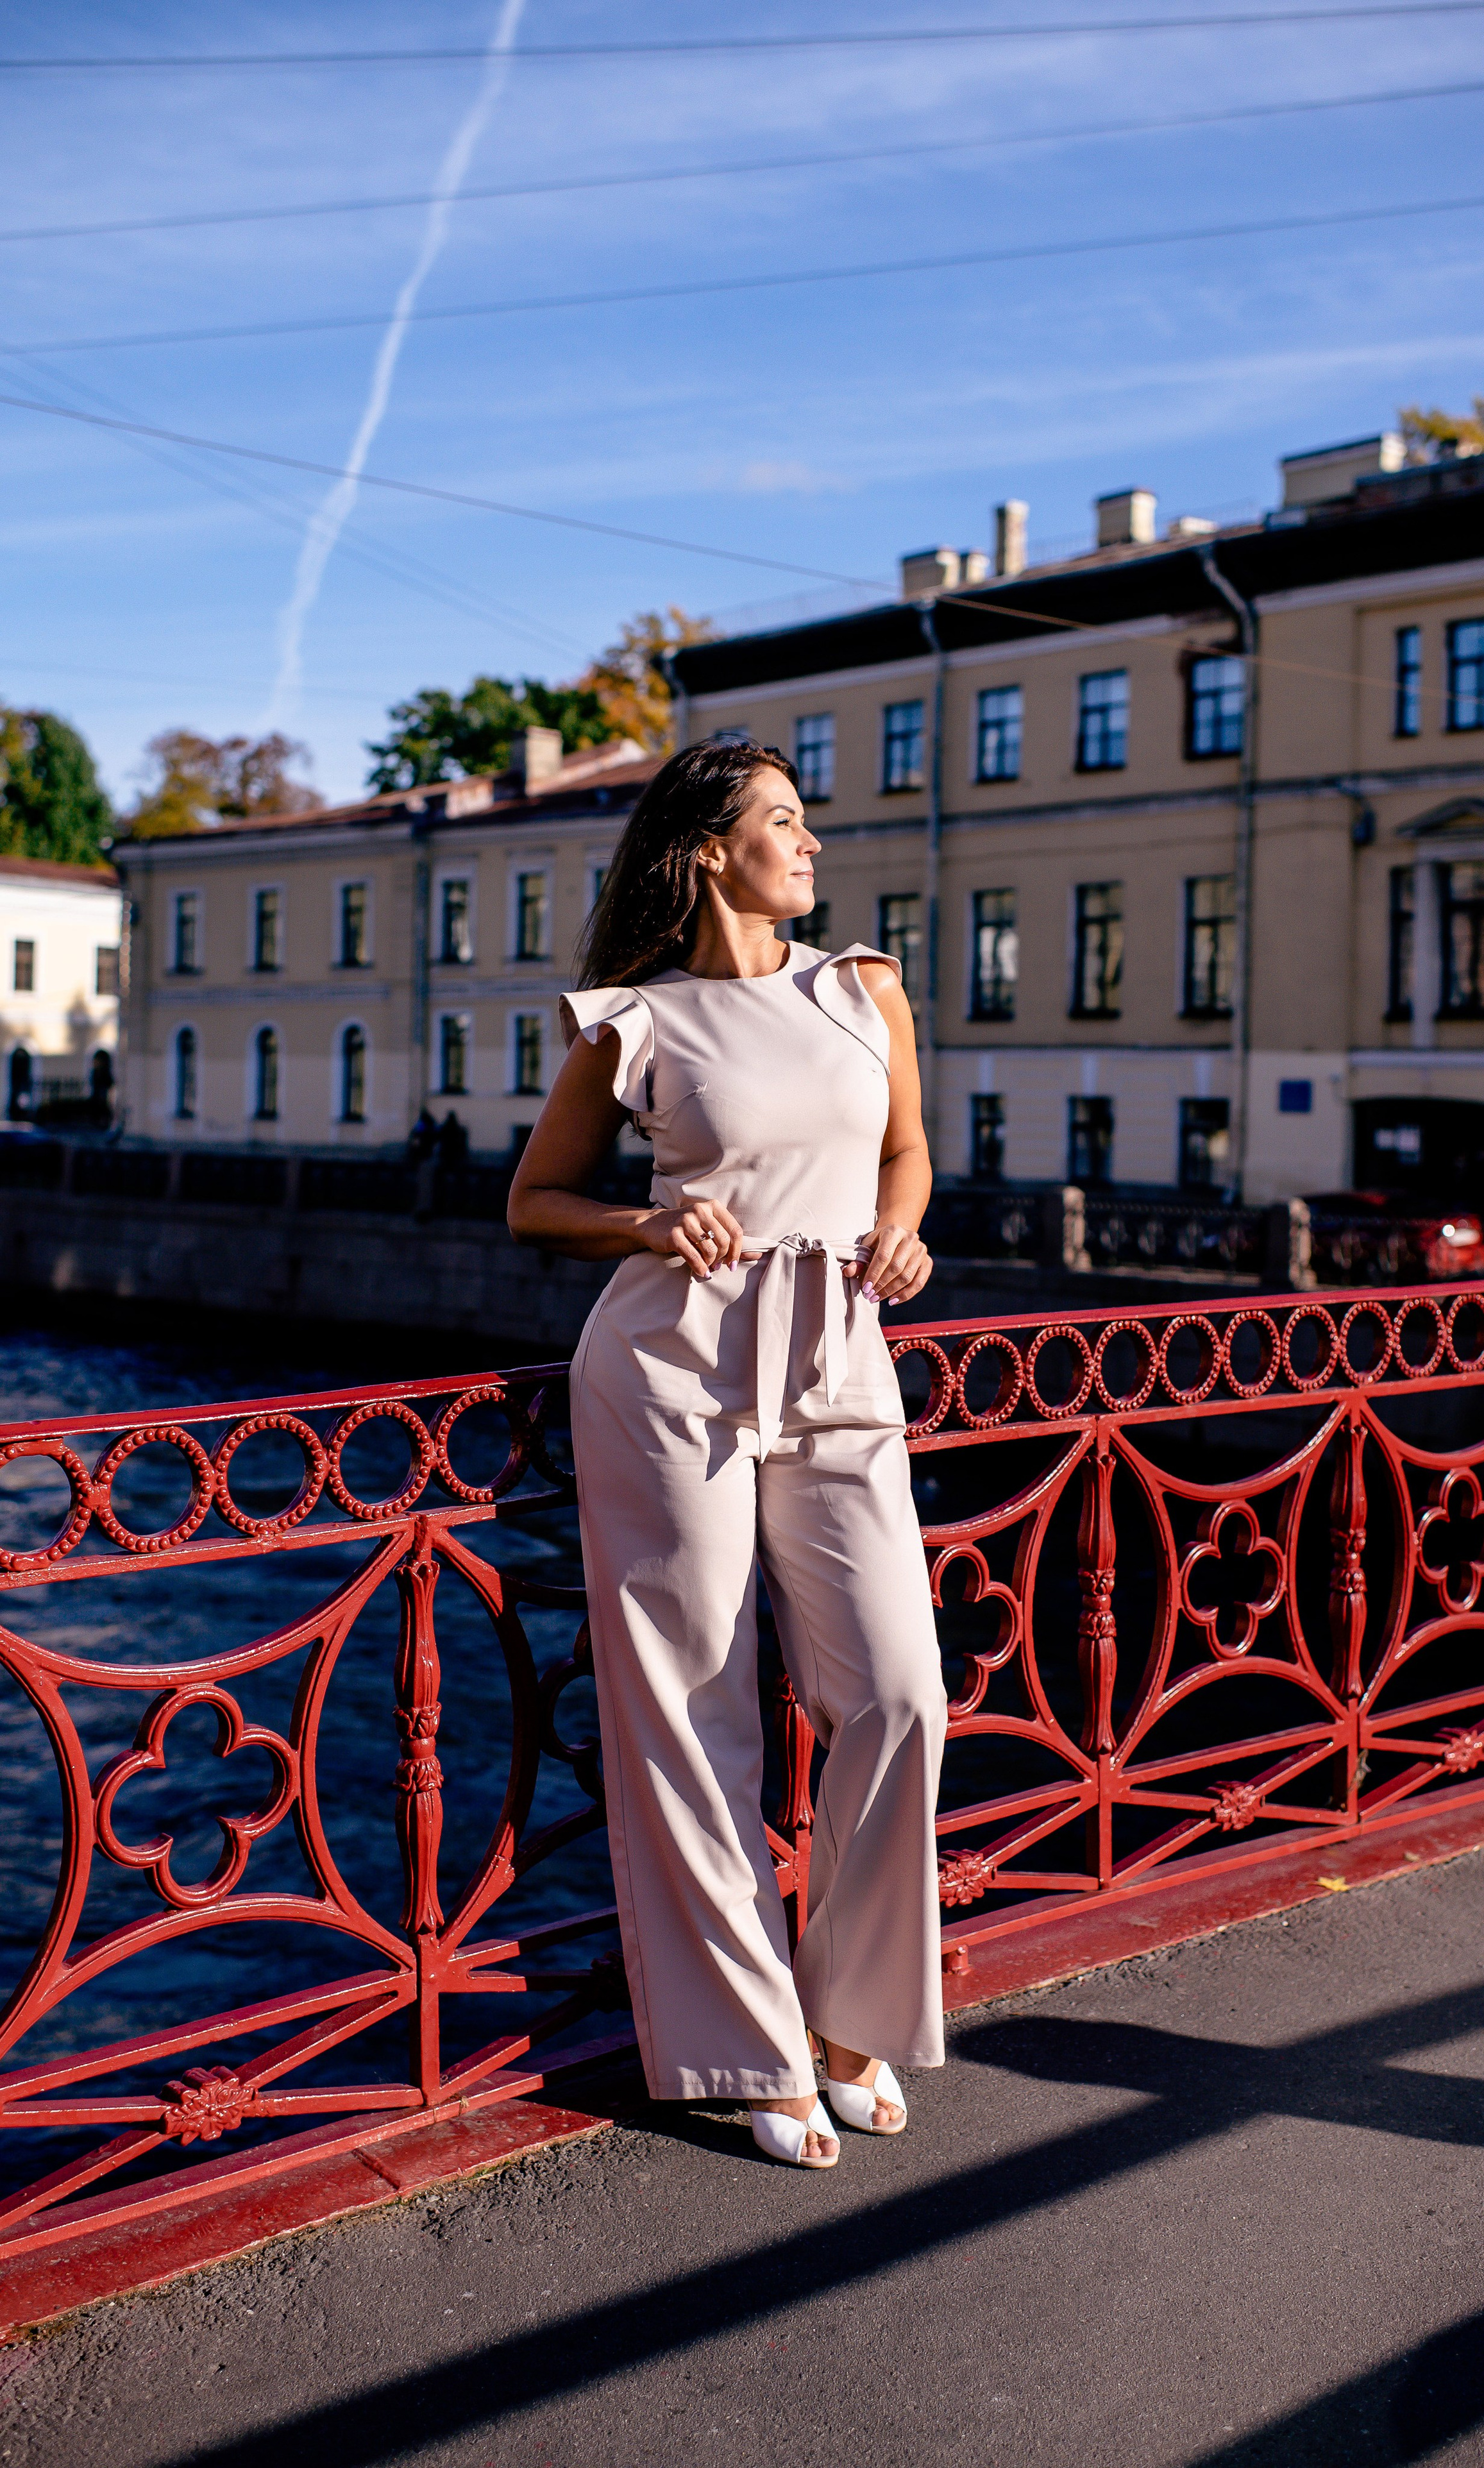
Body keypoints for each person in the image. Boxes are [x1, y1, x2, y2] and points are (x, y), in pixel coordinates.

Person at [507, 739, 947, 2169]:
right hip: (667, 1367)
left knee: (899, 1691)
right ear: (709, 848)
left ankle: (851, 2016)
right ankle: (744, 2046)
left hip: (839, 1353)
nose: (811, 844)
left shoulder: (863, 987)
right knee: (694, 1712)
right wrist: (646, 1223)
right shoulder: (633, 1019)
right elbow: (536, 1200)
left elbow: (905, 1154)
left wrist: (904, 1230)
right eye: (784, 821)